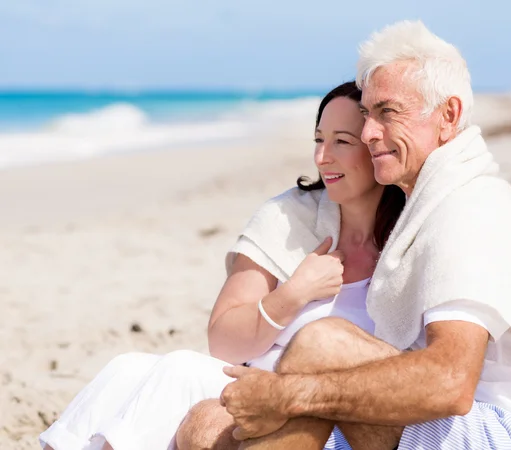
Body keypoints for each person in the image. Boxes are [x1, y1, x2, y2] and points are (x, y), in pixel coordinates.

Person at [210, 21, 511, 450]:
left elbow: (449, 384)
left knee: (325, 345)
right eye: (367, 115)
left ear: (448, 116)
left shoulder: (469, 206)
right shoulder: (431, 199)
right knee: (206, 426)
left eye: (387, 112)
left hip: (505, 432)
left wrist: (285, 395)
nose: (370, 133)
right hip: (450, 423)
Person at [39, 81, 406, 450]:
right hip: (250, 389)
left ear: (377, 147)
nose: (323, 157)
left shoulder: (411, 239)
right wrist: (293, 294)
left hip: (328, 414)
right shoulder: (290, 216)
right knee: (126, 369)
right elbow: (223, 341)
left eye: (342, 141)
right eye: (317, 140)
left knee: (178, 370)